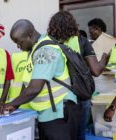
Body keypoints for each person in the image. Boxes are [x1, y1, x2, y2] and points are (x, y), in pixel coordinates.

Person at [0, 19, 80, 140]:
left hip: (58, 115)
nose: (18, 46)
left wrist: (12, 104)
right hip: (48, 114)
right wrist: (16, 105)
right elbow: (27, 84)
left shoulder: (46, 51)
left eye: (19, 42)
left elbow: (34, 88)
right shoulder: (35, 49)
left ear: (30, 35)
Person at [47, 11, 108, 140]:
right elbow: (96, 71)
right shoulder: (82, 41)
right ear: (72, 25)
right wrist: (104, 57)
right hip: (80, 96)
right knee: (79, 134)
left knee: (59, 135)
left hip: (56, 98)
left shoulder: (48, 44)